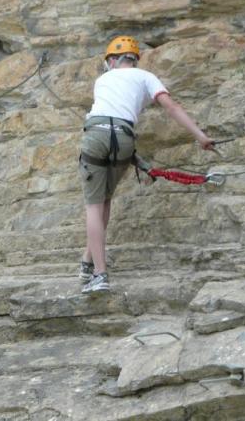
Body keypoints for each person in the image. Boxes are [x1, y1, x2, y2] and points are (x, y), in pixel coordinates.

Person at [77, 35, 215, 294]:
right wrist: (201, 137)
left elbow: (108, 109)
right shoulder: (146, 77)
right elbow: (171, 107)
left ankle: (99, 274)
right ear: (134, 59)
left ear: (113, 60)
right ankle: (88, 261)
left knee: (93, 206)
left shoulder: (103, 79)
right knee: (105, 200)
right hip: (125, 138)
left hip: (96, 134)